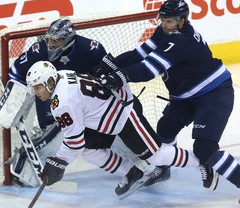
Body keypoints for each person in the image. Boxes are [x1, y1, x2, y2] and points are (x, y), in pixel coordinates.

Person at [94, 0, 240, 190]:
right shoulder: (166, 32)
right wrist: (112, 63)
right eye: (162, 20)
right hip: (186, 97)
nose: (164, 25)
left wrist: (122, 75)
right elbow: (139, 54)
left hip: (213, 94)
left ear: (182, 20)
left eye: (169, 21)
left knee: (204, 148)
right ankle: (163, 169)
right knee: (164, 132)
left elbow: (148, 69)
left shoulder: (180, 41)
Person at [25, 60, 216, 197]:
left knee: (156, 155)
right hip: (106, 117)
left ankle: (202, 162)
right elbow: (78, 137)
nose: (36, 92)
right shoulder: (63, 74)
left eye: (38, 87)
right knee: (88, 149)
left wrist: (59, 162)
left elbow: (74, 141)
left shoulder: (62, 102)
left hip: (123, 115)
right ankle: (131, 172)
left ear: (50, 82)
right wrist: (60, 160)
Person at [7, 17, 149, 198]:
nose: (50, 44)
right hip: (52, 99)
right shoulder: (39, 50)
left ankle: (148, 161)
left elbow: (110, 74)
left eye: (56, 40)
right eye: (49, 39)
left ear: (68, 40)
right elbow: (14, 73)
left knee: (113, 133)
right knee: (57, 131)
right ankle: (34, 163)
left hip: (89, 103)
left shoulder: (91, 49)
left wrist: (127, 101)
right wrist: (16, 98)